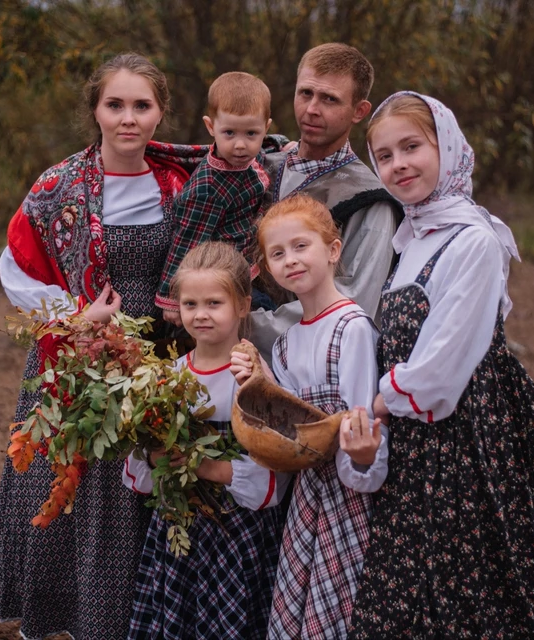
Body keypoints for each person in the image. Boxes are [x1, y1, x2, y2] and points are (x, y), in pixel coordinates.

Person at [348, 91, 534, 640]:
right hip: (414, 447)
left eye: (411, 147)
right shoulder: (411, 237)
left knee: (471, 589)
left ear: (446, 146)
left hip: (466, 438)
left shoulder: (472, 240)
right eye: (384, 156)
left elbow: (441, 372)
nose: (398, 164)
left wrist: (375, 403)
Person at [0, 53, 189, 640]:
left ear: (160, 114)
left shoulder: (178, 182)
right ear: (95, 111)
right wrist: (76, 317)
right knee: (73, 492)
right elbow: (16, 267)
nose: (129, 119)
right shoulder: (58, 186)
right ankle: (70, 620)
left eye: (142, 106)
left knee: (138, 498)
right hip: (73, 365)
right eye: (115, 105)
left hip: (151, 365)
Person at [231, 194, 389, 639]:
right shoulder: (284, 343)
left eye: (302, 246)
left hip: (347, 498)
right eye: (278, 254)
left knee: (336, 613)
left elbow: (359, 427)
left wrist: (360, 465)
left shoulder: (352, 327)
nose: (291, 260)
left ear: (333, 250)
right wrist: (258, 380)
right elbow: (287, 419)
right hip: (306, 496)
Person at [124, 241, 291, 640]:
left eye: (214, 303)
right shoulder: (167, 377)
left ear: (243, 306)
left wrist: (203, 466)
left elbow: (272, 479)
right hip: (180, 532)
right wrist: (155, 454)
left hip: (236, 535)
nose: (200, 315)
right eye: (190, 304)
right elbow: (139, 475)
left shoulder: (253, 380)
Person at [249, 43, 403, 360]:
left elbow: (353, 302)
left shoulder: (369, 200)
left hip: (310, 372)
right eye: (306, 93)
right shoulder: (260, 165)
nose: (312, 109)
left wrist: (245, 325)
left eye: (329, 99)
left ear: (359, 111)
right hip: (220, 351)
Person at [155, 72, 274, 325]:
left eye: (251, 134)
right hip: (222, 277)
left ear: (266, 129)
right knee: (260, 321)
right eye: (229, 133)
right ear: (211, 127)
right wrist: (172, 298)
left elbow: (264, 153)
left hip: (249, 262)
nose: (240, 145)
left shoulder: (250, 157)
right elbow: (186, 242)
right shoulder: (208, 188)